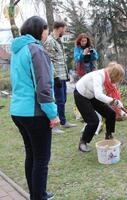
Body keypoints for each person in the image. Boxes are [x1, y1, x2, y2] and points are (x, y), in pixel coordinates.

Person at [10, 16, 59, 200]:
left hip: (18, 111)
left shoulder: (18, 50)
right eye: (46, 29)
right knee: (41, 159)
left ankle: (37, 194)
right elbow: (44, 86)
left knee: (32, 155)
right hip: (34, 113)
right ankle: (39, 197)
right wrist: (53, 114)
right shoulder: (36, 50)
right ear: (39, 30)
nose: (47, 33)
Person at [74, 62, 127, 152]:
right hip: (81, 95)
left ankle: (109, 136)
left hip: (91, 95)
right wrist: (114, 101)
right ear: (114, 75)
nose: (118, 81)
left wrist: (124, 113)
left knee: (110, 113)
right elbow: (99, 95)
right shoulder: (98, 76)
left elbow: (114, 100)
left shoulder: (109, 81)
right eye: (118, 78)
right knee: (93, 121)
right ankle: (83, 142)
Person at [44, 21, 76, 134]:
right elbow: (49, 61)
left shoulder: (58, 41)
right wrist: (55, 77)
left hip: (62, 76)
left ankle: (63, 122)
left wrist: (66, 75)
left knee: (63, 100)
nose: (65, 31)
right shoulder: (50, 41)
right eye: (65, 29)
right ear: (60, 28)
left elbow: (60, 60)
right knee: (57, 101)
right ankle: (54, 127)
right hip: (56, 77)